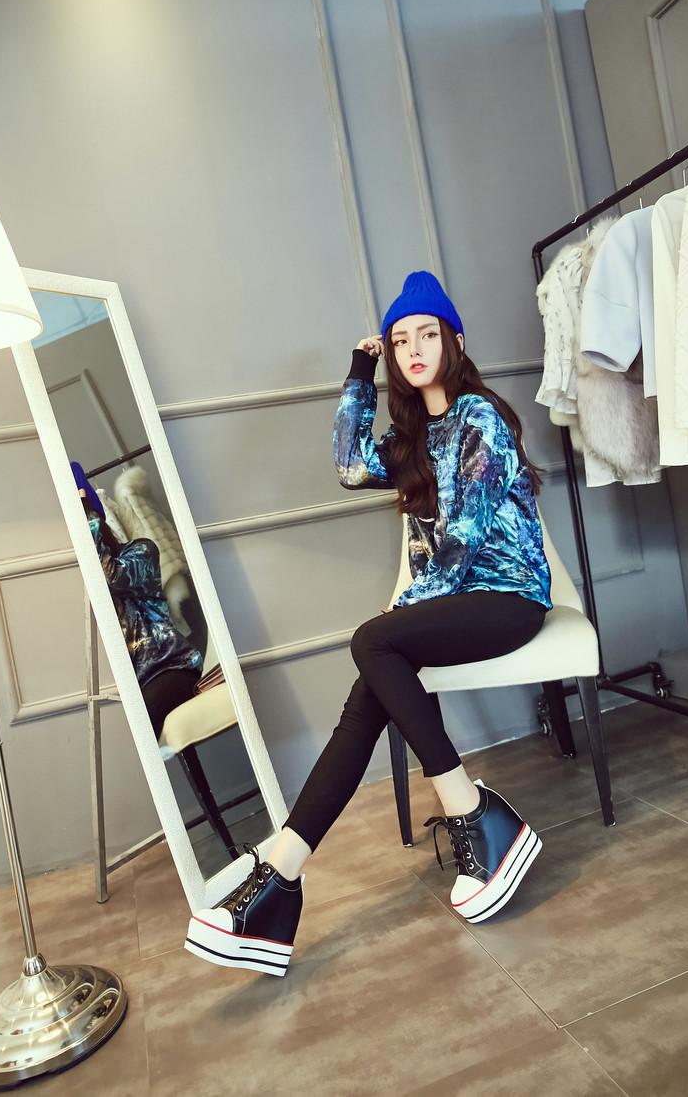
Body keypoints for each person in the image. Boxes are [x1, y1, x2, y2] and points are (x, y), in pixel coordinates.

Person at [185, 271, 552, 977]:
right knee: (370, 687)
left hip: (509, 597)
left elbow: (463, 541)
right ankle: (281, 878)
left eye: (427, 334)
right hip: (456, 603)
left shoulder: (478, 417)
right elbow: (351, 467)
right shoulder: (414, 437)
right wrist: (358, 372)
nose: (412, 349)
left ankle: (474, 814)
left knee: (374, 641)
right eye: (399, 339)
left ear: (454, 341)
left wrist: (405, 612)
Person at [74, 466, 204, 738]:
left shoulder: (141, 551)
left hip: (169, 668)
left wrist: (85, 514)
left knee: (136, 729)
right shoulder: (82, 590)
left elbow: (112, 577)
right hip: (134, 688)